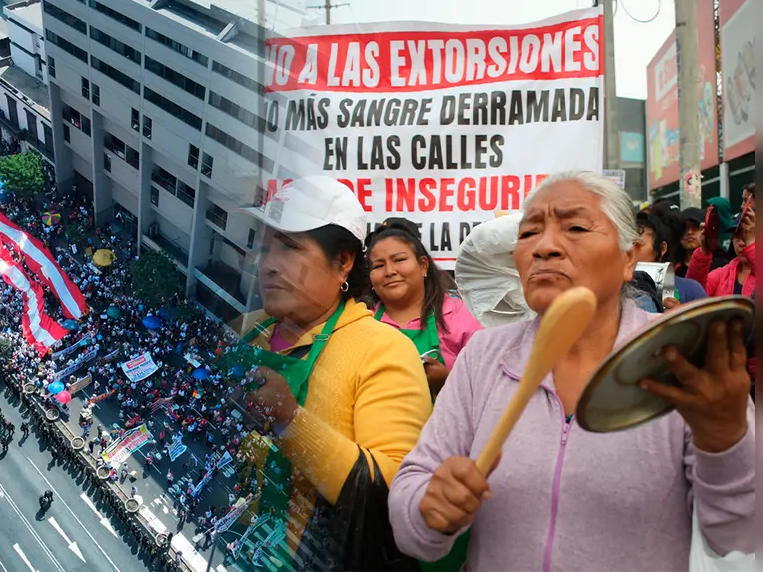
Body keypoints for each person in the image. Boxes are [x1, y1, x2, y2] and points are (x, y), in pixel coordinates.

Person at [387, 171, 755, 570]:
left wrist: (726, 441)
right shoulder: (483, 358)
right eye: (528, 234)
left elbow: (736, 538)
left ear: (629, 257)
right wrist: (429, 510)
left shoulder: (678, 361)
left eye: (576, 227)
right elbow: (412, 502)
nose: (544, 247)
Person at [232, 177, 431, 571]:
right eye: (266, 246)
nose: (268, 264)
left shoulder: (382, 349)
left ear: (343, 261)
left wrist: (291, 421)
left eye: (289, 248)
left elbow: (399, 495)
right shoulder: (250, 329)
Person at [365, 217, 482, 400]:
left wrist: (448, 382)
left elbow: (491, 391)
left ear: (423, 265)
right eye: (379, 265)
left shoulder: (462, 317)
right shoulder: (363, 321)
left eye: (399, 259)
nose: (389, 271)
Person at [634, 207, 707, 308]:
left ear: (662, 248)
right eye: (625, 243)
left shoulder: (690, 290)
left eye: (637, 244)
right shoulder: (615, 288)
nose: (629, 250)